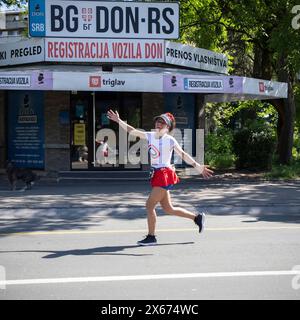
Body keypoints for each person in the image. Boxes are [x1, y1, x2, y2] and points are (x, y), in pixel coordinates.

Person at [107, 109, 214, 246]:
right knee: (168, 209)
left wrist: (197, 166)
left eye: (162, 123)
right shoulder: (150, 136)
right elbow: (132, 131)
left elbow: (183, 154)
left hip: (164, 174)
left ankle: (151, 237)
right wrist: (118, 120)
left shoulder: (170, 140)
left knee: (149, 205)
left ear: (168, 127)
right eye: (158, 121)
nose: (158, 124)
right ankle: (197, 218)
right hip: (157, 173)